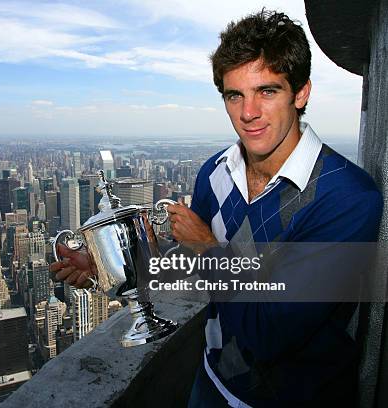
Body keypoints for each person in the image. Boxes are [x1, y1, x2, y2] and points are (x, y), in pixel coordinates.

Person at [50, 9, 383, 407]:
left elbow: (269, 334)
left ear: (301, 92)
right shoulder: (214, 173)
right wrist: (111, 270)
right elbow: (194, 274)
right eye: (234, 95)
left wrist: (208, 246)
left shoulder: (346, 197)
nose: (248, 113)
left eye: (267, 91)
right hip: (210, 386)